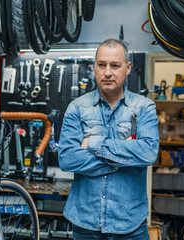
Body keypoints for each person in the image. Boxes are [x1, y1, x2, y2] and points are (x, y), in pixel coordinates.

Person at [58, 38, 159, 240]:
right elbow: (67, 159)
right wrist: (125, 158)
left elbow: (148, 153)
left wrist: (93, 144)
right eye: (101, 65)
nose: (107, 72)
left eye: (115, 65)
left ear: (128, 68)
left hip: (130, 225)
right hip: (85, 223)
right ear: (93, 67)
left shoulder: (144, 107)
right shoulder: (77, 107)